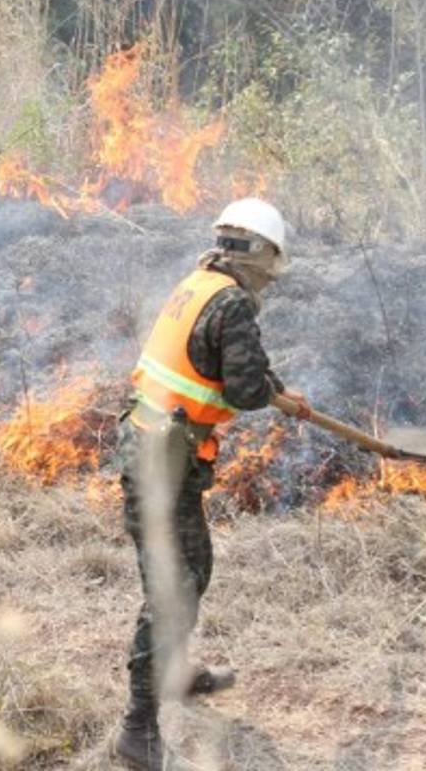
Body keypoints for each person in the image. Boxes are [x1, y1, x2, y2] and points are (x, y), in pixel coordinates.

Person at [113, 198, 312, 770]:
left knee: (194, 567)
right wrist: (268, 391)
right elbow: (244, 390)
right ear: (262, 256)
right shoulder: (232, 304)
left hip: (154, 448)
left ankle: (175, 672)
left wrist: (278, 387)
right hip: (160, 461)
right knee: (171, 588)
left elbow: (225, 362)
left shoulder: (199, 283)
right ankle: (136, 728)